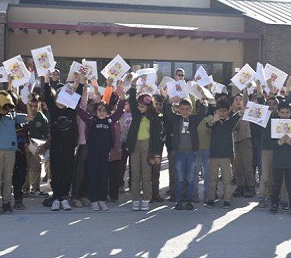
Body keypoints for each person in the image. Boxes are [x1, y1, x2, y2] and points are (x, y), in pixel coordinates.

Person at [77, 79, 126, 211]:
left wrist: (122, 97)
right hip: (92, 153)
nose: (102, 112)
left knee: (103, 176)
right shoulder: (91, 120)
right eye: (99, 110)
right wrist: (73, 95)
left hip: (105, 154)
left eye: (104, 110)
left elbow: (120, 111)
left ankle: (102, 199)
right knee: (92, 175)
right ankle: (94, 200)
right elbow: (79, 111)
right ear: (96, 111)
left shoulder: (110, 120)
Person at [43, 72, 83, 211]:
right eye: (59, 97)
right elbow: (47, 95)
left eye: (65, 97)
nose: (62, 100)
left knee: (67, 171)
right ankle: (56, 197)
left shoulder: (71, 109)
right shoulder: (53, 109)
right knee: (56, 170)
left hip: (69, 146)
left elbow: (78, 93)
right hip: (56, 145)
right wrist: (46, 80)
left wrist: (79, 82)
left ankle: (64, 197)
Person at [0, 88, 27, 216]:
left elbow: (29, 117)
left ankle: (7, 203)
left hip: (10, 151)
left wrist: (28, 103)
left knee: (8, 179)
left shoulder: (13, 115)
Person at [125, 75, 163, 212]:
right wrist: (134, 85)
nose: (139, 108)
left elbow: (158, 139)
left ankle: (146, 199)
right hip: (135, 146)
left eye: (142, 106)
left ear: (148, 106)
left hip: (148, 147)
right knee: (135, 174)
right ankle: (135, 199)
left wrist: (157, 154)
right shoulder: (136, 115)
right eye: (138, 106)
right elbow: (132, 101)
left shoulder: (155, 118)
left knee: (147, 175)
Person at [163, 96, 205, 211]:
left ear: (191, 109)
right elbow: (167, 111)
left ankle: (188, 201)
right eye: (182, 109)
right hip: (179, 153)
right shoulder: (176, 119)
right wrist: (169, 99)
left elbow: (202, 113)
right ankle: (179, 201)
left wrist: (200, 100)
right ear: (179, 109)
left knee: (190, 178)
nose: (185, 111)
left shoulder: (193, 120)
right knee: (180, 178)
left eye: (187, 109)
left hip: (191, 153)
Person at [205, 98, 241, 208]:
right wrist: (214, 120)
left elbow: (239, 115)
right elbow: (208, 125)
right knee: (213, 179)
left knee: (227, 179)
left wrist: (242, 108)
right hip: (214, 155)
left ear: (229, 110)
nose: (222, 113)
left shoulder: (230, 123)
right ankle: (211, 199)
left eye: (225, 111)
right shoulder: (213, 122)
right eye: (220, 110)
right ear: (215, 111)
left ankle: (227, 199)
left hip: (226, 156)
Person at [269, 102, 291, 216]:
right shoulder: (274, 124)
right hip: (277, 160)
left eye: (287, 112)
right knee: (276, 184)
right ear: (278, 112)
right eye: (282, 112)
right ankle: (274, 204)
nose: (285, 115)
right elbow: (270, 144)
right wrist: (280, 142)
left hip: (290, 160)